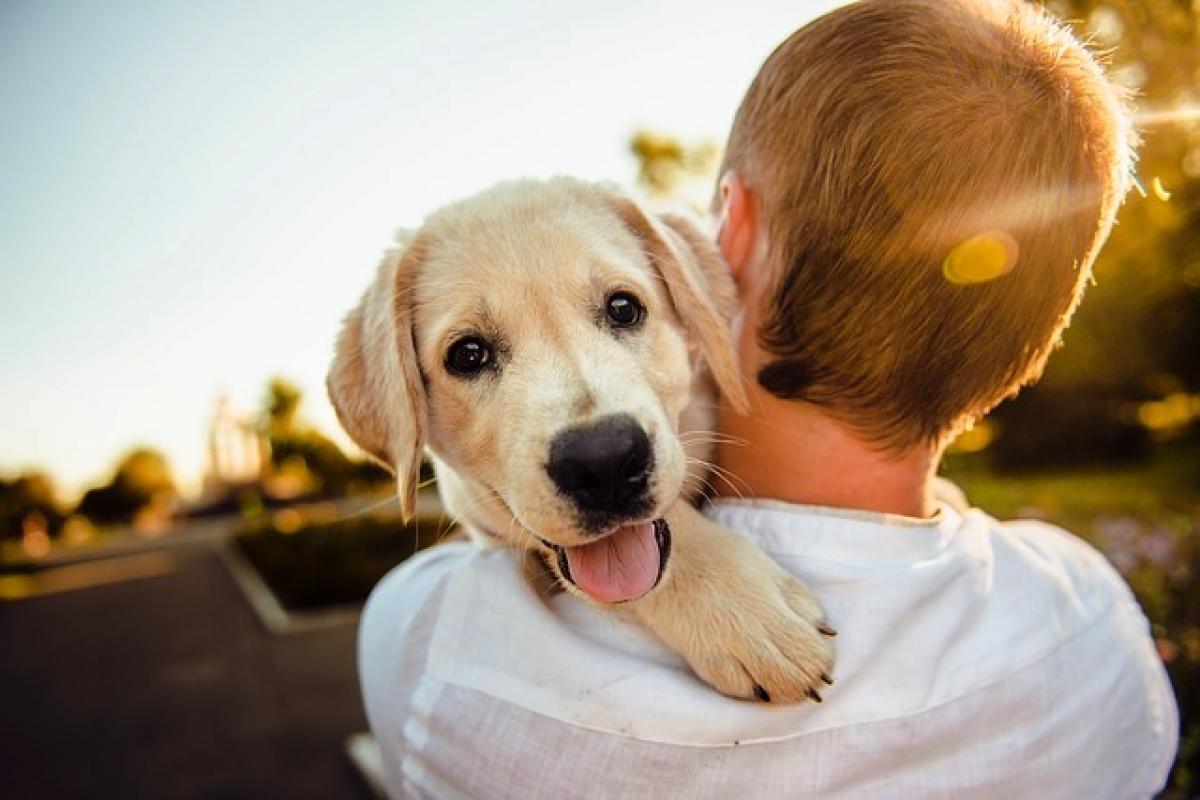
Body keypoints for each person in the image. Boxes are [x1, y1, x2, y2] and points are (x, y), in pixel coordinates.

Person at [358, 1, 1178, 796]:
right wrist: (682, 564)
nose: (593, 427)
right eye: (472, 355)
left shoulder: (433, 646)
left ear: (728, 241)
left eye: (621, 310)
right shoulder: (1094, 623)